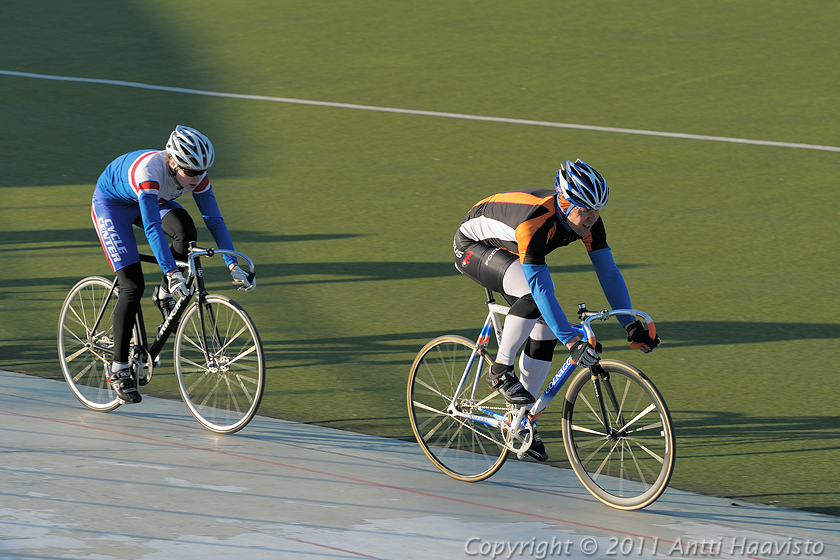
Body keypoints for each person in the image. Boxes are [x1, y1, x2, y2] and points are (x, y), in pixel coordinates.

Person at [453, 159, 660, 461]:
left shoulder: (588, 221)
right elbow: (540, 288)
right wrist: (573, 342)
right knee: (535, 299)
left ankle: (520, 421)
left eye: (598, 209)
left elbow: (609, 273)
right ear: (564, 202)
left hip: (509, 247)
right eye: (585, 209)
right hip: (473, 246)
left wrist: (630, 325)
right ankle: (499, 370)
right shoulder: (535, 222)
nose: (593, 217)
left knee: (545, 330)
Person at [91, 125, 255, 403]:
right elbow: (153, 225)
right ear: (172, 162)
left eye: (202, 171)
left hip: (156, 199)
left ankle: (164, 294)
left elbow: (214, 220)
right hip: (114, 205)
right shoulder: (149, 173)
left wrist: (232, 264)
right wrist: (171, 271)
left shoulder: (196, 176)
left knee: (187, 232)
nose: (196, 177)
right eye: (190, 172)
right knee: (132, 285)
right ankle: (118, 370)